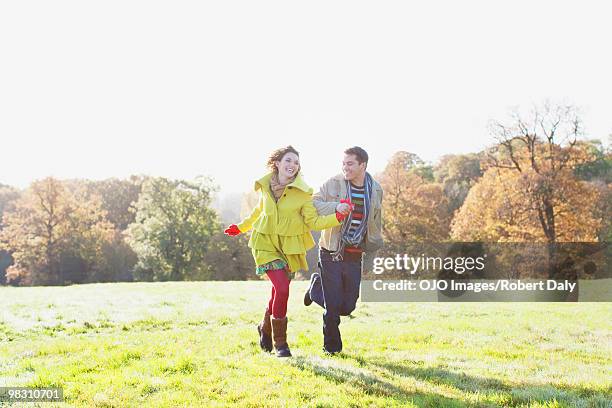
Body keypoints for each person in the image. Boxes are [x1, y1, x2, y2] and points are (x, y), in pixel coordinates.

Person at [224, 146, 352, 358]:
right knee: (282, 288)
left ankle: (265, 328)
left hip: (289, 248)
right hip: (265, 243)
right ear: (277, 163)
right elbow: (258, 211)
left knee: (277, 291)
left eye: (296, 162)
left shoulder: (303, 193)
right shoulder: (265, 185)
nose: (292, 165)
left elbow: (313, 221)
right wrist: (241, 227)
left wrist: (337, 218)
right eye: (288, 161)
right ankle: (280, 344)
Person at [304, 146, 384, 354]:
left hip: (355, 252)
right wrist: (336, 207)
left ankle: (315, 289)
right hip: (331, 250)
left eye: (350, 163)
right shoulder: (333, 183)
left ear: (362, 165)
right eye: (343, 163)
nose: (345, 167)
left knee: (347, 306)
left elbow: (376, 224)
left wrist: (371, 258)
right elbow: (313, 203)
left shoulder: (376, 190)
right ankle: (331, 348)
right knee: (332, 308)